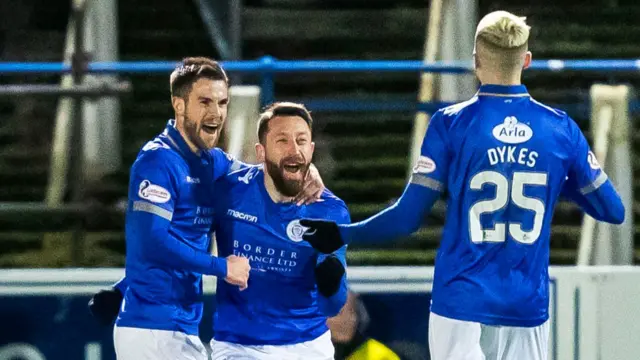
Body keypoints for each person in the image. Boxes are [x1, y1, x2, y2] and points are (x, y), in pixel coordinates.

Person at [300, 11, 625, 360]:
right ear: (527, 60)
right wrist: (558, 179)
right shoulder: (561, 130)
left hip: (460, 301)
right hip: (525, 304)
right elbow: (613, 210)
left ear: (475, 61)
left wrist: (342, 234)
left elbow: (407, 218)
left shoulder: (450, 124)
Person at [87, 58, 325, 360]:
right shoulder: (158, 161)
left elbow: (259, 176)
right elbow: (152, 242)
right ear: (179, 105)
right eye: (205, 102)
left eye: (222, 102)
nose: (216, 113)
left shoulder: (211, 162)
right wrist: (223, 267)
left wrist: (304, 168)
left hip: (177, 328)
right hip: (154, 331)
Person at [209, 102, 349, 360]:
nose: (294, 150)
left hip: (307, 346)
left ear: (311, 149)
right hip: (239, 345)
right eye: (282, 141)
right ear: (261, 152)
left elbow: (333, 305)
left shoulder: (329, 211)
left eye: (301, 141)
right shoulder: (229, 192)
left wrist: (331, 282)